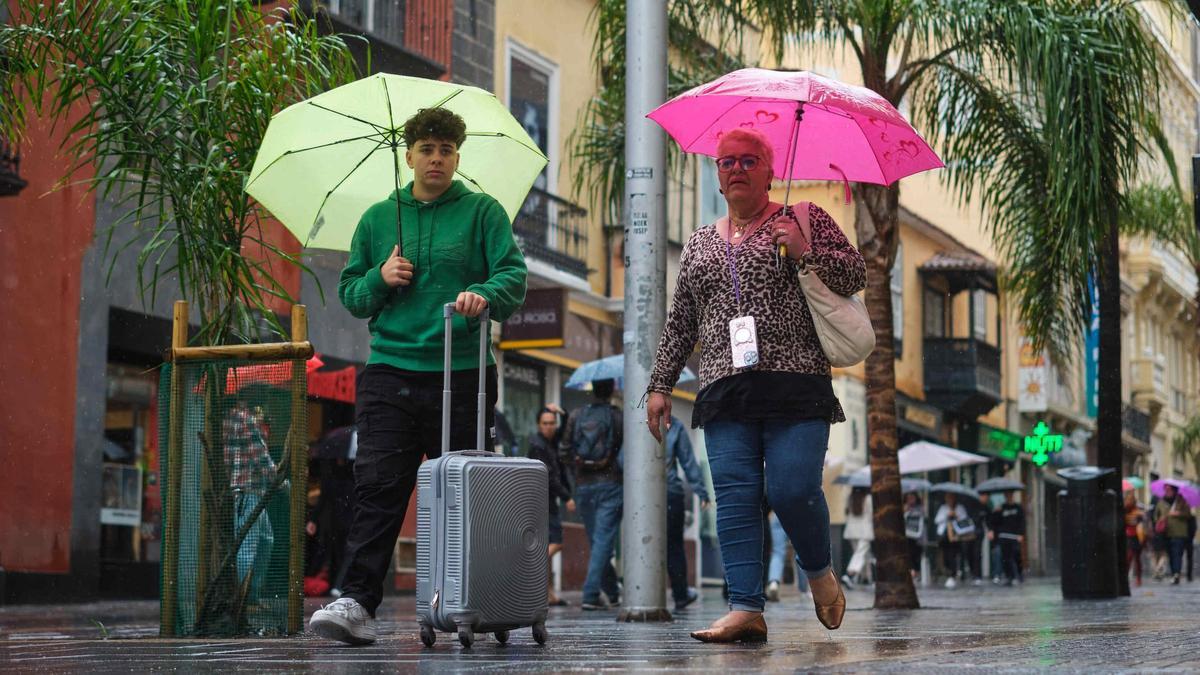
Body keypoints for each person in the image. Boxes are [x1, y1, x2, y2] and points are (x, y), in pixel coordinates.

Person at [309, 107, 527, 645]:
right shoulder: (379, 219)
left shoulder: (482, 212)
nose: (437, 159)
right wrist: (381, 278)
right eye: (427, 149)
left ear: (457, 156)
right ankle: (357, 603)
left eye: (447, 150)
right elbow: (351, 295)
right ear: (409, 155)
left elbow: (513, 276)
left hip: (465, 373)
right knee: (378, 489)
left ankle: (474, 600)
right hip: (389, 372)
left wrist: (486, 295)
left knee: (465, 496)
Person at [645, 127, 866, 643]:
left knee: (792, 489)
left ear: (771, 171)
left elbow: (855, 274)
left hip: (797, 382)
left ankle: (818, 572)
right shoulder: (700, 243)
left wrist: (806, 250)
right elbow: (681, 321)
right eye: (727, 163)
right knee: (737, 500)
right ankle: (745, 608)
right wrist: (659, 385)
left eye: (749, 160)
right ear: (717, 176)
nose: (737, 169)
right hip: (724, 388)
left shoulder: (803, 217)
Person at [561, 379, 624, 611]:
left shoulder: (577, 416)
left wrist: (578, 472)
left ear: (593, 389)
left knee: (598, 541)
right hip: (611, 485)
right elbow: (625, 454)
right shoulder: (618, 416)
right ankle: (590, 594)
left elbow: (564, 451)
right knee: (603, 541)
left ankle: (613, 593)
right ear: (612, 391)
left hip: (584, 486)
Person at [224, 400, 277, 601]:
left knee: (265, 540)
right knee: (248, 547)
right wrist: (280, 480)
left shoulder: (228, 419)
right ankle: (244, 601)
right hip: (249, 492)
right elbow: (261, 459)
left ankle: (251, 596)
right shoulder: (246, 419)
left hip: (245, 491)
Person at [664, 416, 713, 611]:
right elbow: (688, 461)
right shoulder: (673, 424)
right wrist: (701, 491)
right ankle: (680, 595)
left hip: (640, 493)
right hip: (669, 492)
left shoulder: (633, 424)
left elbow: (623, 460)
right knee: (674, 546)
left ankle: (636, 591)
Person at [528, 405, 575, 606]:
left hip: (546, 499)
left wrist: (562, 413)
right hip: (541, 500)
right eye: (545, 423)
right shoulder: (538, 445)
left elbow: (567, 433)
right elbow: (550, 476)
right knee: (554, 543)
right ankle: (529, 569)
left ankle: (547, 594)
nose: (549, 427)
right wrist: (566, 497)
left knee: (548, 544)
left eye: (552, 423)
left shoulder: (551, 442)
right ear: (539, 425)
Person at [1154, 484, 1193, 585]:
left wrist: (1178, 513)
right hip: (1166, 532)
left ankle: (1176, 574)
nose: (1167, 491)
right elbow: (1155, 516)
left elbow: (1188, 514)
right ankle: (1173, 573)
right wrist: (1160, 519)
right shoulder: (1161, 502)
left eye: (1169, 489)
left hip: (1179, 532)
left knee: (1177, 554)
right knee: (1170, 554)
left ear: (1174, 490)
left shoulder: (1182, 501)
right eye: (1165, 489)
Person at [989, 490, 1025, 586]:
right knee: (1006, 558)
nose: (1009, 497)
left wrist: (1021, 534)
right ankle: (1010, 576)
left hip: (1014, 535)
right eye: (1007, 495)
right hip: (1004, 535)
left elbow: (1022, 521)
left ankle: (1019, 574)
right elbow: (995, 522)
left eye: (1010, 495)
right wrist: (996, 512)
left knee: (1016, 555)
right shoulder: (1002, 508)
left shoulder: (1018, 507)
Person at [935, 493, 970, 589]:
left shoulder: (960, 508)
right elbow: (937, 520)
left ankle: (954, 573)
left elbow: (965, 519)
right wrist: (947, 515)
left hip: (957, 535)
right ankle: (948, 571)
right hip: (945, 535)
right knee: (946, 554)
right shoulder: (943, 508)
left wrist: (957, 515)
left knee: (954, 554)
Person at [842, 488, 874, 587]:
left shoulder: (850, 497)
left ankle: (866, 578)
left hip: (851, 530)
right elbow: (872, 514)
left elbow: (846, 512)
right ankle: (850, 574)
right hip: (865, 530)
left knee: (861, 554)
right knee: (860, 554)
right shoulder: (868, 498)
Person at [1123, 489, 1146, 587]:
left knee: (1136, 558)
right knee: (1129, 557)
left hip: (1137, 536)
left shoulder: (1138, 512)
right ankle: (1126, 578)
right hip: (1128, 536)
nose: (1129, 501)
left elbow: (1142, 524)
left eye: (1131, 499)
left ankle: (1138, 578)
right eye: (1128, 499)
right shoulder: (1123, 510)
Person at [903, 491, 925, 582]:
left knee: (917, 553)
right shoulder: (904, 507)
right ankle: (911, 570)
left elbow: (922, 518)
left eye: (912, 498)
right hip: (907, 534)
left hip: (918, 535)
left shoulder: (920, 508)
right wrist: (905, 511)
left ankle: (917, 571)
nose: (911, 500)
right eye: (909, 498)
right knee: (908, 552)